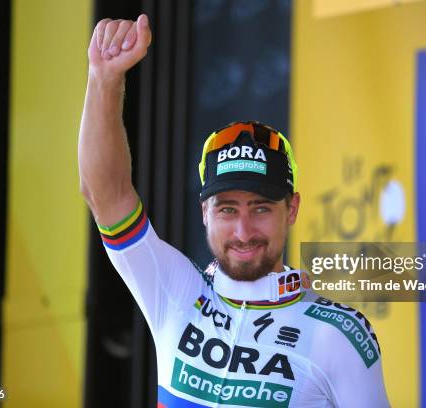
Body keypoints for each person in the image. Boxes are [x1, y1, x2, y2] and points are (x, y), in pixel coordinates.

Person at [78, 13, 390, 408]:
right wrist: (104, 79)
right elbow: (104, 194)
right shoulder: (175, 292)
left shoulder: (340, 335)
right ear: (205, 212)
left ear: (291, 209)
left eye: (261, 208)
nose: (244, 231)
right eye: (227, 210)